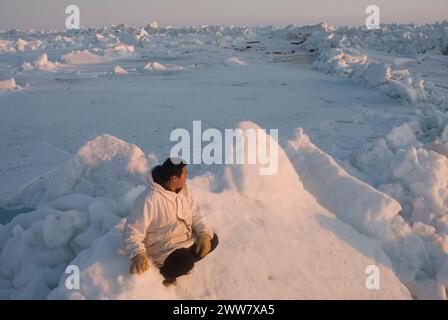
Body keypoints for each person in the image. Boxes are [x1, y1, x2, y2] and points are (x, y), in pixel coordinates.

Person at [123, 157, 219, 286]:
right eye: (185, 173)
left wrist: (203, 234)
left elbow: (196, 215)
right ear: (174, 178)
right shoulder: (149, 199)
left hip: (185, 239)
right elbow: (132, 231)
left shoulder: (185, 190)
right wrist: (137, 254)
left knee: (212, 240)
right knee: (185, 262)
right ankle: (165, 275)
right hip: (164, 249)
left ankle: (182, 261)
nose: (187, 176)